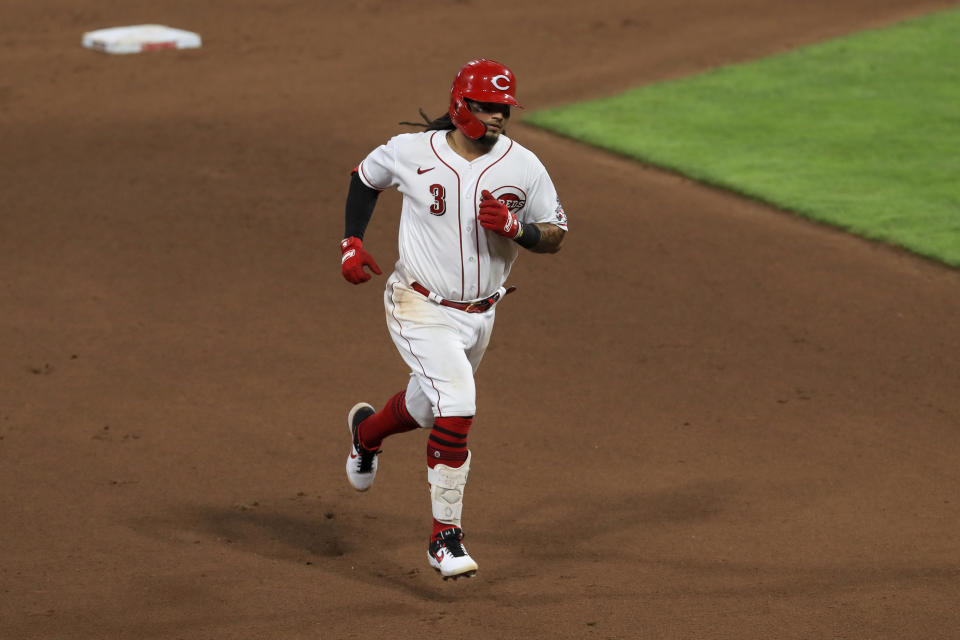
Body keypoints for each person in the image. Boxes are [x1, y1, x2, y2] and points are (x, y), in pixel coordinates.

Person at [338, 58, 568, 580]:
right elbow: (364, 177)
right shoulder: (411, 153)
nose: (497, 118)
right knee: (458, 402)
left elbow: (555, 233)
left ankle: (366, 434)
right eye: (487, 107)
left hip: (481, 316)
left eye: (504, 109)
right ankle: (445, 538)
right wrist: (351, 242)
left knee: (426, 407)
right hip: (417, 304)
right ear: (460, 105)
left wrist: (519, 230)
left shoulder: (524, 166)